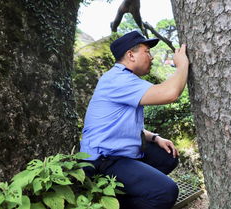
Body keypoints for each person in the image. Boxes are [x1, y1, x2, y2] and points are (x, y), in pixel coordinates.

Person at [80, 31, 189, 209]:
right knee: (166, 191)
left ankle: (123, 198)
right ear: (131, 55)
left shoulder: (124, 78)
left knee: (168, 157)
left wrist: (155, 137)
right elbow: (170, 93)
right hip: (102, 161)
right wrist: (182, 64)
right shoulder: (118, 79)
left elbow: (123, 127)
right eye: (147, 51)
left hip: (117, 155)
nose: (152, 57)